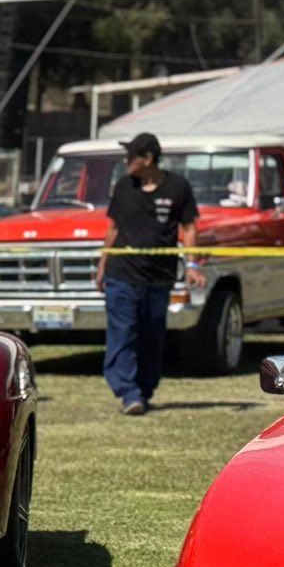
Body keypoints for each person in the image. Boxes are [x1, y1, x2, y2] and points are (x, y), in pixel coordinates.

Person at [93, 132, 200, 416]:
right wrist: (103, 264)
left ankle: (144, 389)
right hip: (121, 273)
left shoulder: (178, 187)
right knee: (123, 332)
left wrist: (192, 265)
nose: (126, 161)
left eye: (131, 156)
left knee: (151, 335)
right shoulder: (123, 187)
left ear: (148, 158)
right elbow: (113, 228)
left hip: (158, 277)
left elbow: (189, 229)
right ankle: (128, 391)